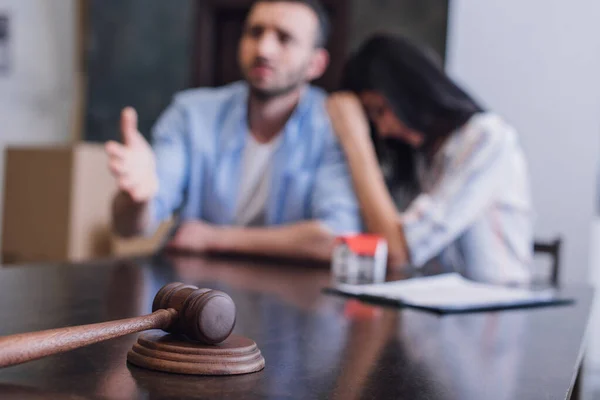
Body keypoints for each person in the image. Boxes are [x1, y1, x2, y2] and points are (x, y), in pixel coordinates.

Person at [105, 0, 361, 262]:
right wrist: (138, 199)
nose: (264, 48)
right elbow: (129, 229)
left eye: (284, 38)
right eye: (255, 32)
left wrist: (214, 238)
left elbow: (339, 237)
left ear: (316, 64)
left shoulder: (333, 125)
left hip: (294, 294)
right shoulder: (192, 114)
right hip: (194, 292)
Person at [326, 34, 533, 284]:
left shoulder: (487, 138)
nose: (382, 130)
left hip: (495, 309)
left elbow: (397, 252)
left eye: (380, 110)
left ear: (409, 89)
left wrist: (355, 139)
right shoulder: (424, 156)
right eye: (372, 119)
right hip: (434, 304)